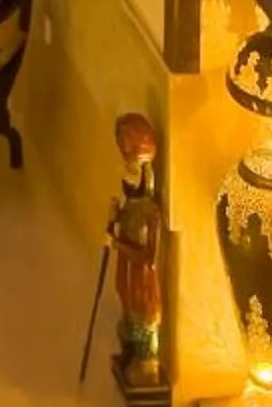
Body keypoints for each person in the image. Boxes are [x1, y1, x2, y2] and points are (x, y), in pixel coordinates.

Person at [107, 111, 167, 395]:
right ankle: (133, 356)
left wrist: (116, 243)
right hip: (129, 280)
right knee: (128, 319)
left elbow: (146, 256)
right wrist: (117, 217)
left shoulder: (148, 215)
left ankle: (146, 366)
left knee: (142, 322)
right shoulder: (134, 209)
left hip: (142, 285)